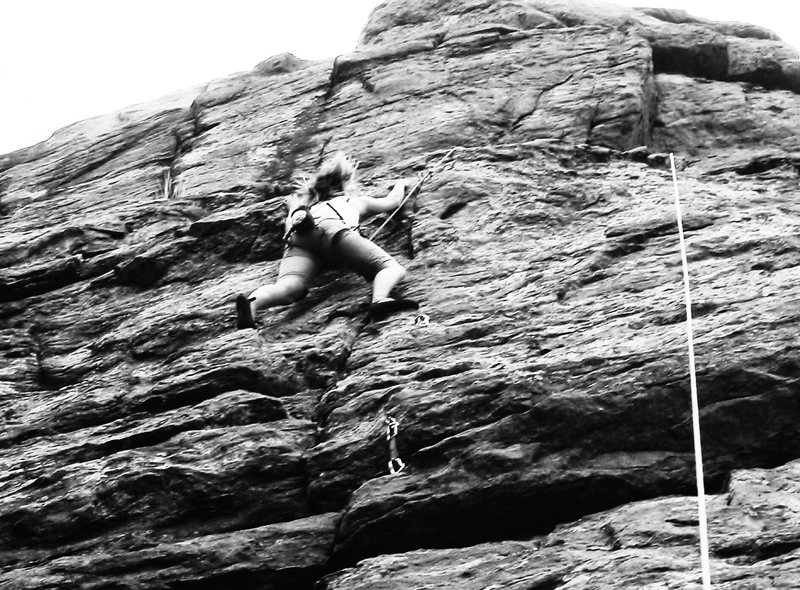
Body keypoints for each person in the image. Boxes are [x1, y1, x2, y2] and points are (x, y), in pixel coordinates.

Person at [236, 152, 418, 329]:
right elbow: (392, 201)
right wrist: (402, 183)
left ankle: (251, 305)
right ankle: (380, 299)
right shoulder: (351, 201)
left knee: (288, 287)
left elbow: (290, 227)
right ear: (343, 184)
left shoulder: (309, 208)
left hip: (299, 238)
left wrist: (293, 207)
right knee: (390, 268)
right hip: (332, 231)